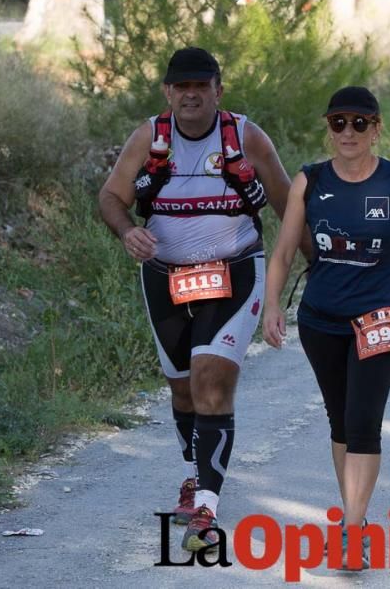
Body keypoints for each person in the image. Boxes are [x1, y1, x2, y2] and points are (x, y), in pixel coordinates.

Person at [98, 47, 292, 551]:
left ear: (217, 90)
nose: (190, 94)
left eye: (200, 85)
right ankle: (194, 475)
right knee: (183, 390)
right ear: (167, 92)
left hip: (235, 272)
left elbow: (288, 206)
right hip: (165, 278)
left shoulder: (246, 138)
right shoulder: (149, 138)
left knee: (210, 380)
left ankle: (205, 508)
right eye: (180, 86)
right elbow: (111, 196)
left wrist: (326, 267)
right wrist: (126, 232)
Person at [262, 86, 390, 569]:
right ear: (328, 128)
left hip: (379, 320)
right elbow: (285, 249)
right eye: (338, 123)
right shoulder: (308, 181)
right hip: (320, 322)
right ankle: (357, 519)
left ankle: (351, 531)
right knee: (340, 422)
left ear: (376, 128)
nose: (348, 132)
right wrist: (270, 306)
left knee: (363, 423)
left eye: (359, 123)